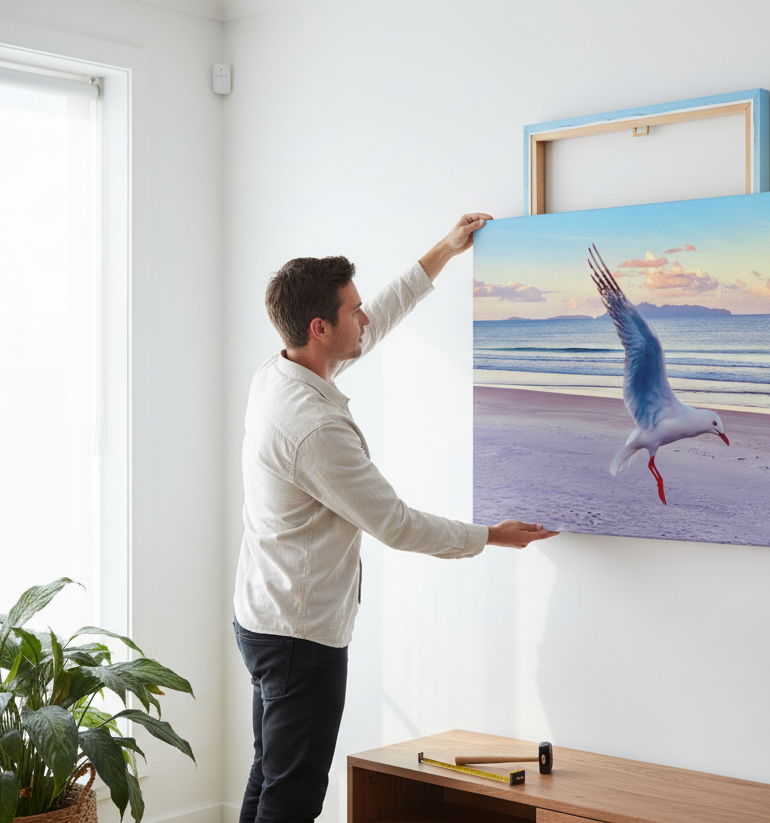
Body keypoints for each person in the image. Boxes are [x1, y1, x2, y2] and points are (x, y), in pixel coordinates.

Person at [232, 212, 557, 823]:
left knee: (270, 775)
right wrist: (491, 536)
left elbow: (374, 322)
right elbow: (397, 524)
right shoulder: (315, 427)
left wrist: (444, 250)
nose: (364, 318)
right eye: (352, 311)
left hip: (263, 614)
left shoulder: (281, 372)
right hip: (299, 638)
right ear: (319, 327)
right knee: (293, 793)